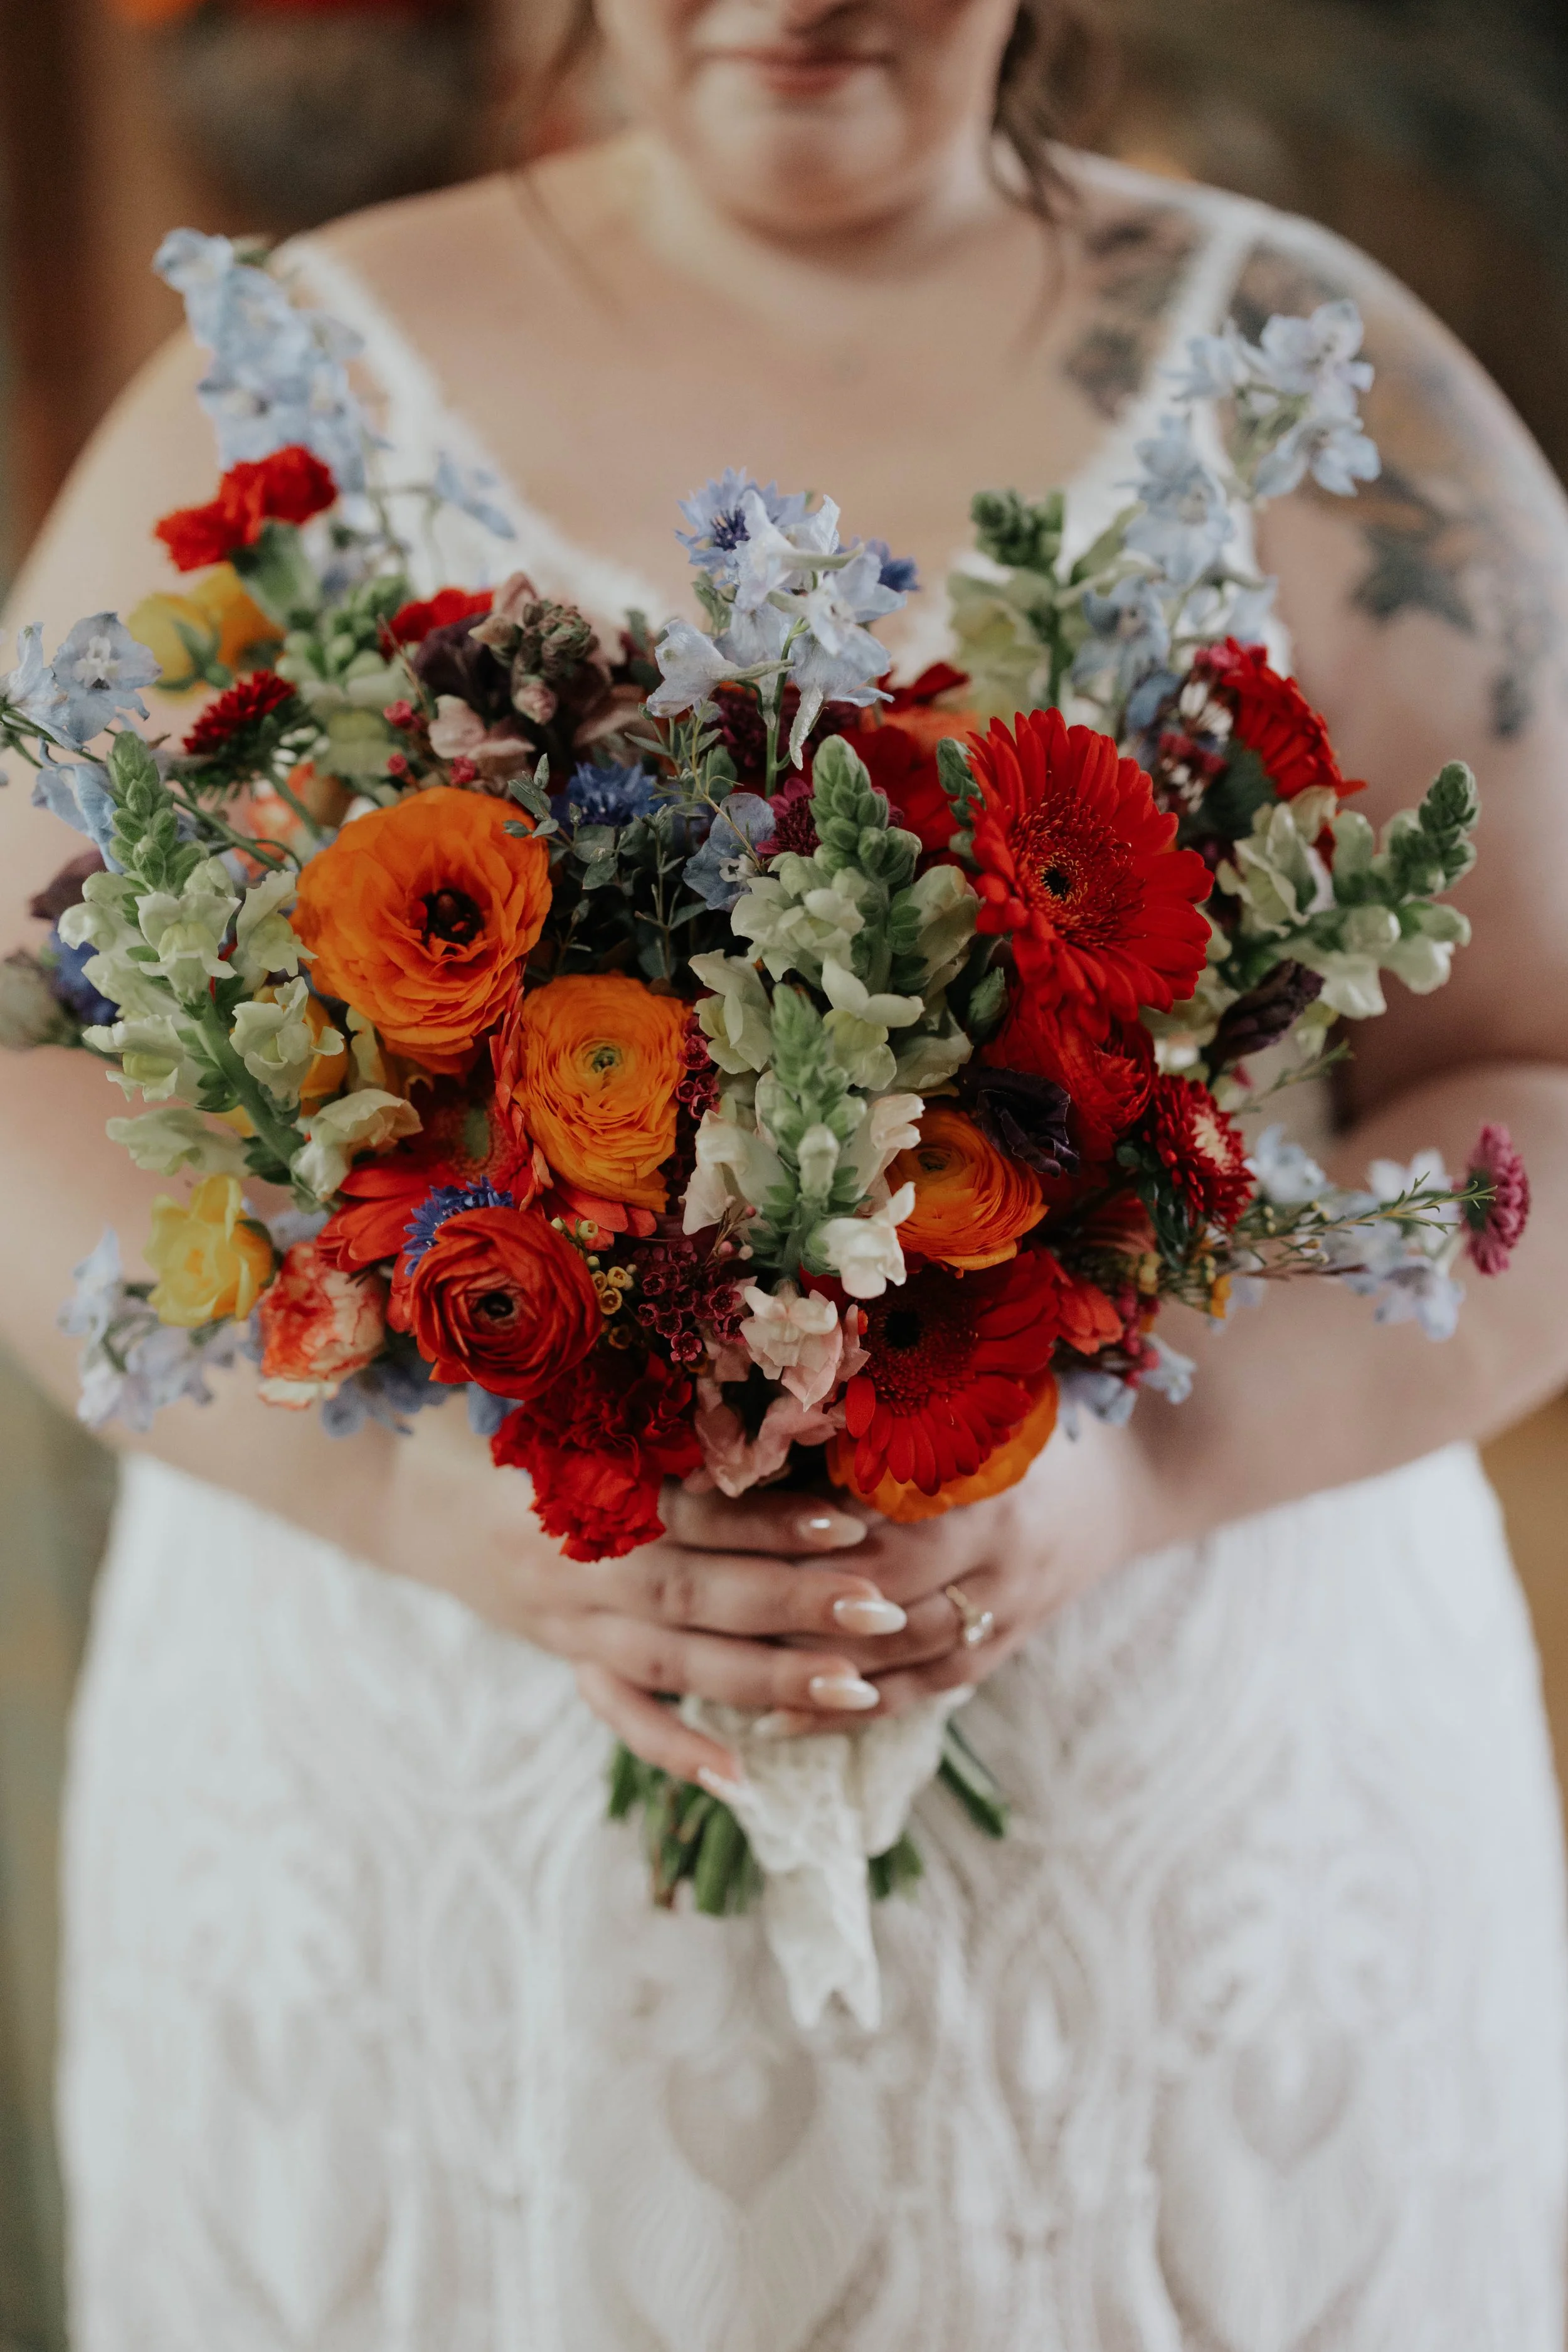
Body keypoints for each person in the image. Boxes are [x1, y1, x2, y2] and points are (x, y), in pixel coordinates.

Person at [4, 0, 1568, 2340]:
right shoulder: (271, 385)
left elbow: (1539, 1074)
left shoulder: (1331, 392)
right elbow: (26, 1070)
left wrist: (1130, 1479)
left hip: (1176, 1836)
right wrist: (423, 1499)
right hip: (419, 1832)